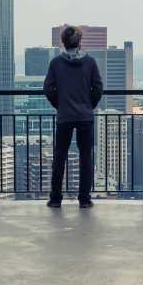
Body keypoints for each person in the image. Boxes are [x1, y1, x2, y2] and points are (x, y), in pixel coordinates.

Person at [42, 25, 104, 208]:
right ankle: (84, 199)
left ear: (63, 42)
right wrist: (88, 105)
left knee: (59, 157)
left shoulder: (56, 63)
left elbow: (48, 89)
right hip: (85, 116)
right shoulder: (90, 62)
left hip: (65, 116)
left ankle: (55, 199)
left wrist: (60, 105)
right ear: (79, 42)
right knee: (86, 157)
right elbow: (98, 88)